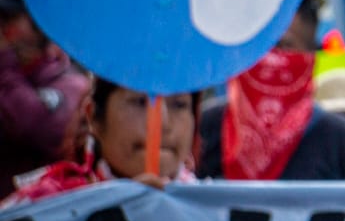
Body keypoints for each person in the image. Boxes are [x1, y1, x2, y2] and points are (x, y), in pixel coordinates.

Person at [197, 0, 345, 181]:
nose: (266, 57)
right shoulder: (204, 129)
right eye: (257, 45)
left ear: (309, 56)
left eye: (282, 46)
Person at [4, 77, 199, 206]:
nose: (162, 123)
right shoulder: (43, 208)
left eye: (179, 105)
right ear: (93, 117)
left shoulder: (219, 216)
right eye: (140, 102)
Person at [0, 0, 92, 197]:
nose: (2, 28)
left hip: (37, 218)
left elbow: (37, 127)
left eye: (9, 19)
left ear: (39, 23)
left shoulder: (69, 82)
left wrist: (3, 60)